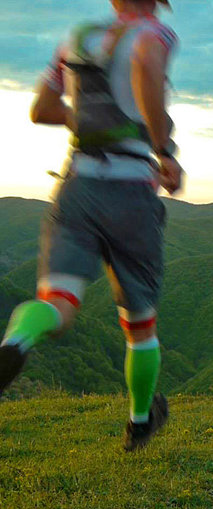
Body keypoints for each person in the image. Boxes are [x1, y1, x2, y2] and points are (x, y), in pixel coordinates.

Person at [0, 0, 182, 452]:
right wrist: (164, 151)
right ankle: (140, 422)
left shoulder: (76, 39)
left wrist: (80, 117)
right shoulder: (153, 35)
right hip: (131, 192)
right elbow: (147, 67)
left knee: (57, 306)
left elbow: (41, 109)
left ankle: (17, 341)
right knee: (140, 323)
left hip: (77, 185)